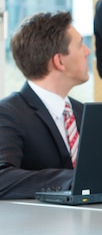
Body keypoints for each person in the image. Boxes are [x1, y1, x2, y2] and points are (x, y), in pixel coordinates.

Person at [0, 11, 90, 199]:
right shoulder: (8, 113)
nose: (87, 51)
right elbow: (2, 178)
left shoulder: (83, 112)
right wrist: (75, 180)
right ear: (59, 61)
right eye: (80, 45)